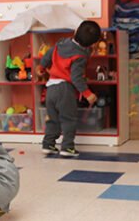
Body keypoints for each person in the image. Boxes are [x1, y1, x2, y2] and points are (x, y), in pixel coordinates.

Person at [40, 20, 101, 157]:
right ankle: (67, 147)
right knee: (68, 119)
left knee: (52, 118)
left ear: (75, 31)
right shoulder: (80, 56)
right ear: (93, 43)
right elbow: (76, 77)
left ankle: (48, 144)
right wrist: (87, 93)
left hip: (50, 87)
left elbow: (47, 56)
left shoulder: (60, 43)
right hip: (65, 90)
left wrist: (41, 68)